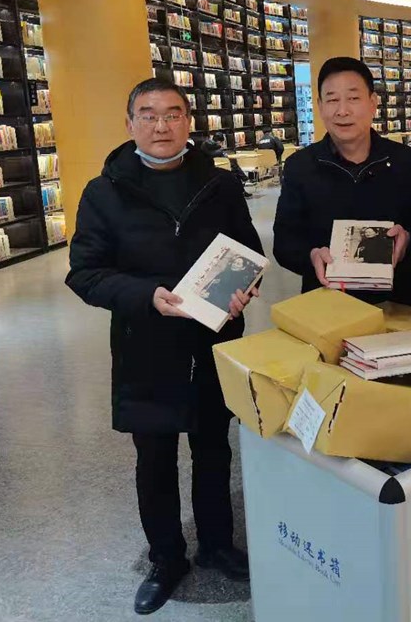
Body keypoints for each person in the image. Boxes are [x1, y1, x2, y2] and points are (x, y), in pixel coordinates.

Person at [66, 78, 264, 615]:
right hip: (146, 343)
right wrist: (146, 296)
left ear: (188, 122)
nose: (161, 125)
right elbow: (85, 273)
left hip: (211, 338)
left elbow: (248, 252)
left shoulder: (220, 184)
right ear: (130, 123)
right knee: (154, 456)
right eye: (149, 114)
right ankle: (166, 557)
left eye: (173, 114)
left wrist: (243, 291)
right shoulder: (104, 192)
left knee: (213, 446)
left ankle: (217, 543)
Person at [274, 56, 411, 307]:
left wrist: (408, 242)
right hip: (327, 305)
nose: (342, 110)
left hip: (398, 305)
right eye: (332, 100)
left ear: (373, 103)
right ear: (320, 106)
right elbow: (284, 242)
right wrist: (311, 255)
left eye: (353, 98)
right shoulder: (301, 166)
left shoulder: (406, 161)